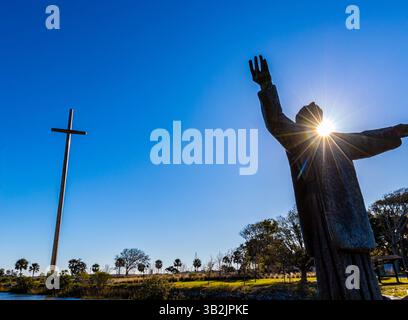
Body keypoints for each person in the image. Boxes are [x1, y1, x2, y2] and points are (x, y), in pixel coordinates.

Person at [249, 55, 408, 299]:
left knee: (354, 265)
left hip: (346, 214)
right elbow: (277, 122)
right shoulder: (296, 140)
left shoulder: (338, 141)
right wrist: (266, 86)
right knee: (334, 267)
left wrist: (397, 130)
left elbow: (368, 137)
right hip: (322, 214)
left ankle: (363, 294)